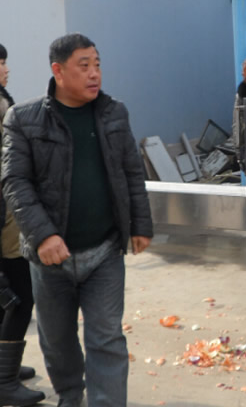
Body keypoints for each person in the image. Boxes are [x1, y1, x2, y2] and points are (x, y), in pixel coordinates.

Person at [1, 33, 153, 407]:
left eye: (97, 64)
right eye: (83, 65)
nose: (94, 74)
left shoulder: (114, 112)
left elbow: (131, 171)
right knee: (57, 341)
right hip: (50, 257)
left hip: (103, 251)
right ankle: (71, 397)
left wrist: (140, 224)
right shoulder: (23, 117)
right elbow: (14, 181)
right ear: (59, 70)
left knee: (107, 338)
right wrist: (43, 235)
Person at [0, 44, 45, 406]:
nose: (5, 69)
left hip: (7, 217)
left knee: (8, 297)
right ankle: (4, 380)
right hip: (4, 221)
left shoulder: (3, 99)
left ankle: (6, 368)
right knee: (19, 295)